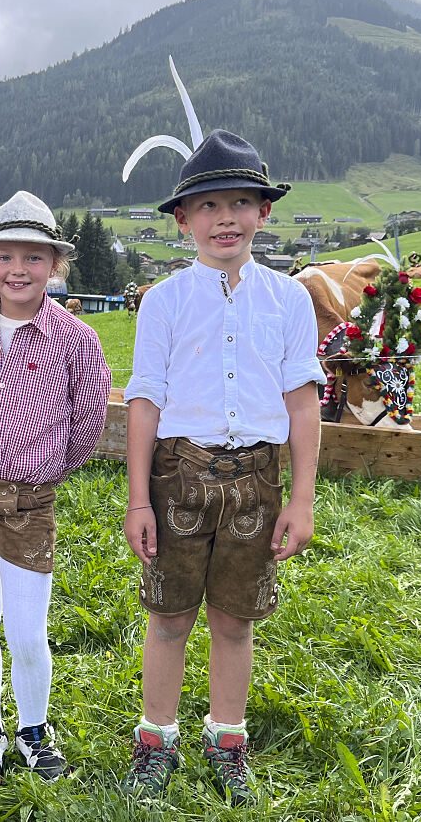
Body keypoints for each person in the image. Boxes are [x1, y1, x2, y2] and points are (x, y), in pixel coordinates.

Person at [121, 130, 324, 805]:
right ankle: (157, 739)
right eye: (208, 206)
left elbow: (301, 403)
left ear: (265, 212)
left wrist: (301, 498)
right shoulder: (165, 301)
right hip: (178, 476)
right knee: (170, 615)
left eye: (242, 201)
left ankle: (227, 737)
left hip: (258, 482)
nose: (226, 217)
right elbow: (145, 402)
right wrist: (138, 500)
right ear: (183, 220)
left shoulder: (289, 300)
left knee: (235, 618)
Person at [0, 191, 111, 782]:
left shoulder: (76, 340)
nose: (19, 270)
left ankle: (34, 728)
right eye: (5, 257)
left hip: (29, 499)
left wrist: (45, 468)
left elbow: (89, 422)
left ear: (54, 266)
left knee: (27, 624)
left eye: (34, 258)